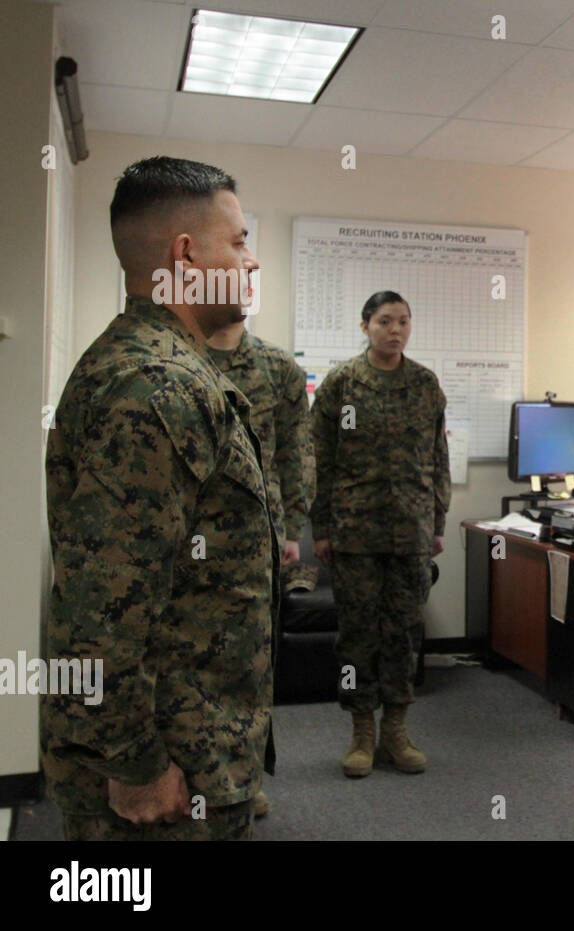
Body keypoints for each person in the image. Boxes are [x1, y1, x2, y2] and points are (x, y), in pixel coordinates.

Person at [43, 156, 275, 840]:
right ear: (185, 254)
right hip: (169, 769)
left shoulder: (164, 366)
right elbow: (104, 605)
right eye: (238, 240)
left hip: (192, 743)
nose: (252, 261)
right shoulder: (155, 386)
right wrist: (135, 762)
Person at [310, 291, 450, 778]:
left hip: (410, 530)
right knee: (356, 637)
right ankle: (361, 732)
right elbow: (319, 460)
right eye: (386, 321)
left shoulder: (425, 385)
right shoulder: (341, 384)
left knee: (405, 634)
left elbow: (438, 460)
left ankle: (396, 729)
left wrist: (436, 522)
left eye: (404, 321)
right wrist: (321, 528)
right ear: (365, 325)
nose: (396, 330)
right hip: (354, 532)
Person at [207, 318, 314, 818]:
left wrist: (293, 527)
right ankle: (197, 776)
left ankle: (245, 777)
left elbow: (296, 450)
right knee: (190, 662)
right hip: (188, 534)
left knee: (253, 662)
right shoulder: (178, 358)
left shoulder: (277, 367)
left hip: (259, 533)